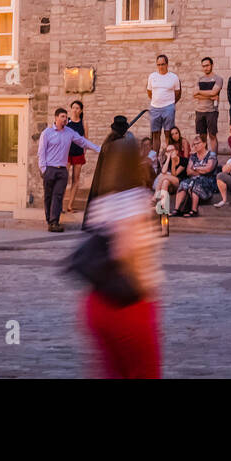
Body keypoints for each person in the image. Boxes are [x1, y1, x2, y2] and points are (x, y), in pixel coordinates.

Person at [80, 114, 162, 378]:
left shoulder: (102, 201)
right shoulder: (136, 199)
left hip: (96, 303)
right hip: (128, 302)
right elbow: (125, 249)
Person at [37, 108, 100, 232]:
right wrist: (44, 169)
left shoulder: (69, 132)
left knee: (58, 195)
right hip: (49, 168)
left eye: (66, 117)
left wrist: (99, 149)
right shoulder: (47, 133)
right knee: (48, 196)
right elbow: (41, 152)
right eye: (62, 116)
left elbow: (83, 142)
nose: (65, 119)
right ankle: (50, 220)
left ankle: (54, 222)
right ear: (56, 118)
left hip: (62, 170)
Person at [146, 55, 181, 156]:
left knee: (168, 133)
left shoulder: (173, 77)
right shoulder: (152, 76)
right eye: (158, 65)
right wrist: (157, 101)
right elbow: (149, 92)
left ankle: (168, 157)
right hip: (155, 108)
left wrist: (169, 103)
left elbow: (177, 93)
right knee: (155, 134)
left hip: (168, 108)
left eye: (162, 64)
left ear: (167, 64)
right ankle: (155, 159)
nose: (160, 67)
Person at [173, 138, 218, 217]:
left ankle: (194, 210)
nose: (196, 146)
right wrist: (201, 170)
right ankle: (177, 209)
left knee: (196, 183)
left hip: (208, 181)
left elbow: (208, 169)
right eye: (194, 144)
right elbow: (188, 172)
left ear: (204, 144)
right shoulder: (193, 156)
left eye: (198, 143)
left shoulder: (211, 155)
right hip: (194, 179)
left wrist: (195, 168)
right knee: (183, 183)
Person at [194, 58, 223, 154]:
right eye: (203, 66)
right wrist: (210, 95)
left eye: (207, 65)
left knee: (212, 135)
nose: (205, 68)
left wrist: (200, 92)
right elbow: (194, 94)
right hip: (199, 111)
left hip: (211, 111)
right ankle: (204, 157)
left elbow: (214, 92)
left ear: (212, 65)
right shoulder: (199, 79)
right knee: (202, 137)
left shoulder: (218, 79)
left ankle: (213, 158)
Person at [64, 100, 88, 214]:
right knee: (63, 178)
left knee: (76, 180)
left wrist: (84, 152)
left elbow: (86, 140)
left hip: (78, 154)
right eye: (73, 107)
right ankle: (59, 205)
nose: (75, 110)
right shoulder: (67, 122)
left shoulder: (83, 123)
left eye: (77, 108)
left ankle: (70, 206)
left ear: (81, 110)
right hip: (67, 154)